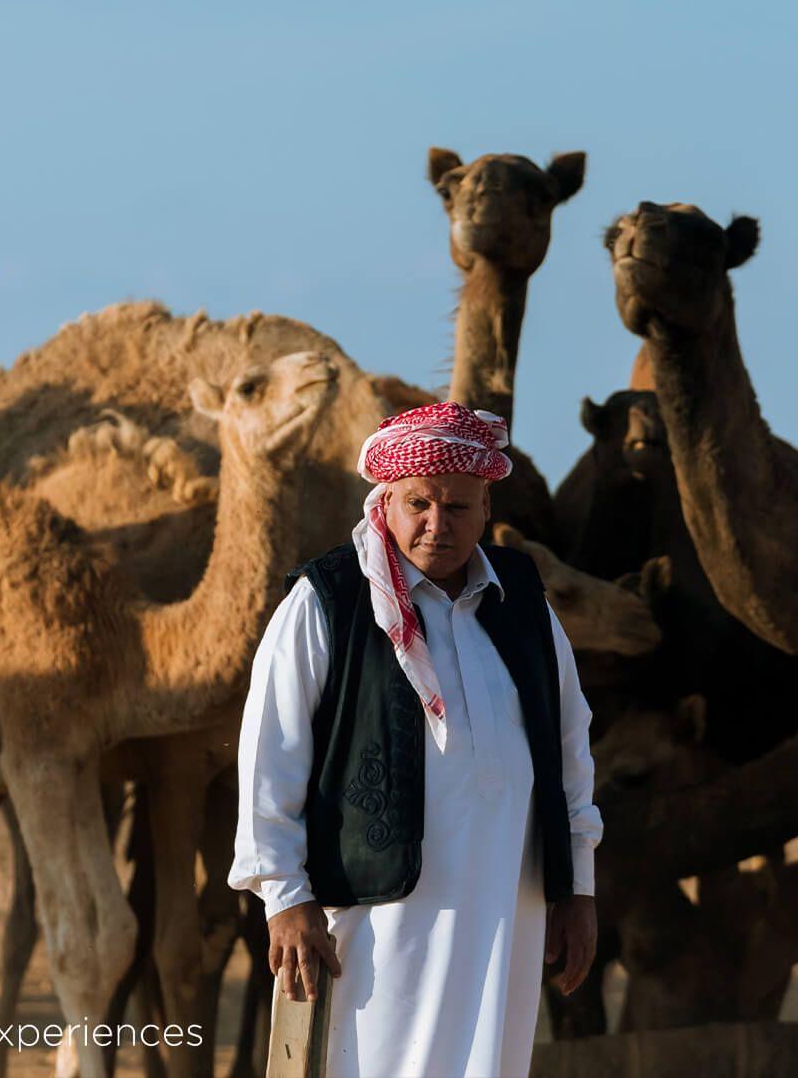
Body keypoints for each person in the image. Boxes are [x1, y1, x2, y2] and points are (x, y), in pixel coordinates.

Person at [228, 402, 602, 1077]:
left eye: (458, 507)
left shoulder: (520, 597)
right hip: (379, 915)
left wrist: (577, 885)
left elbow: (568, 744)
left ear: (486, 504)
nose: (437, 524)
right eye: (419, 504)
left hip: (506, 903)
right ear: (387, 501)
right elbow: (269, 754)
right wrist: (285, 898)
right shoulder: (329, 601)